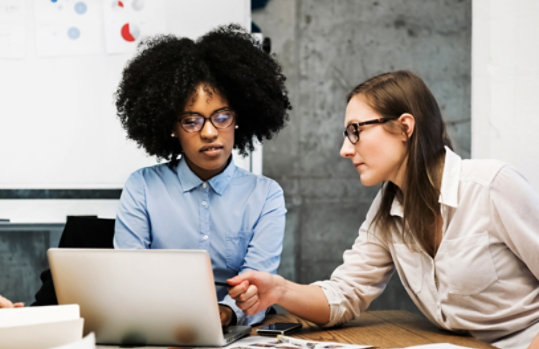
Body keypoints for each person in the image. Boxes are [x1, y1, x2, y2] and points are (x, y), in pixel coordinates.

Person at [228, 70, 539, 348]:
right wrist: (280, 290)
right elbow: (345, 295)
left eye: (356, 130)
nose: (345, 149)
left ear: (404, 127)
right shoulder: (388, 207)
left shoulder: (491, 186)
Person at [113, 24, 291, 327]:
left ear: (239, 120)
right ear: (171, 127)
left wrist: (225, 312)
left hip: (235, 329)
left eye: (222, 117)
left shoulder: (265, 196)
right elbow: (129, 277)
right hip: (158, 327)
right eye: (191, 121)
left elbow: (258, 287)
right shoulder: (142, 187)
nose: (209, 132)